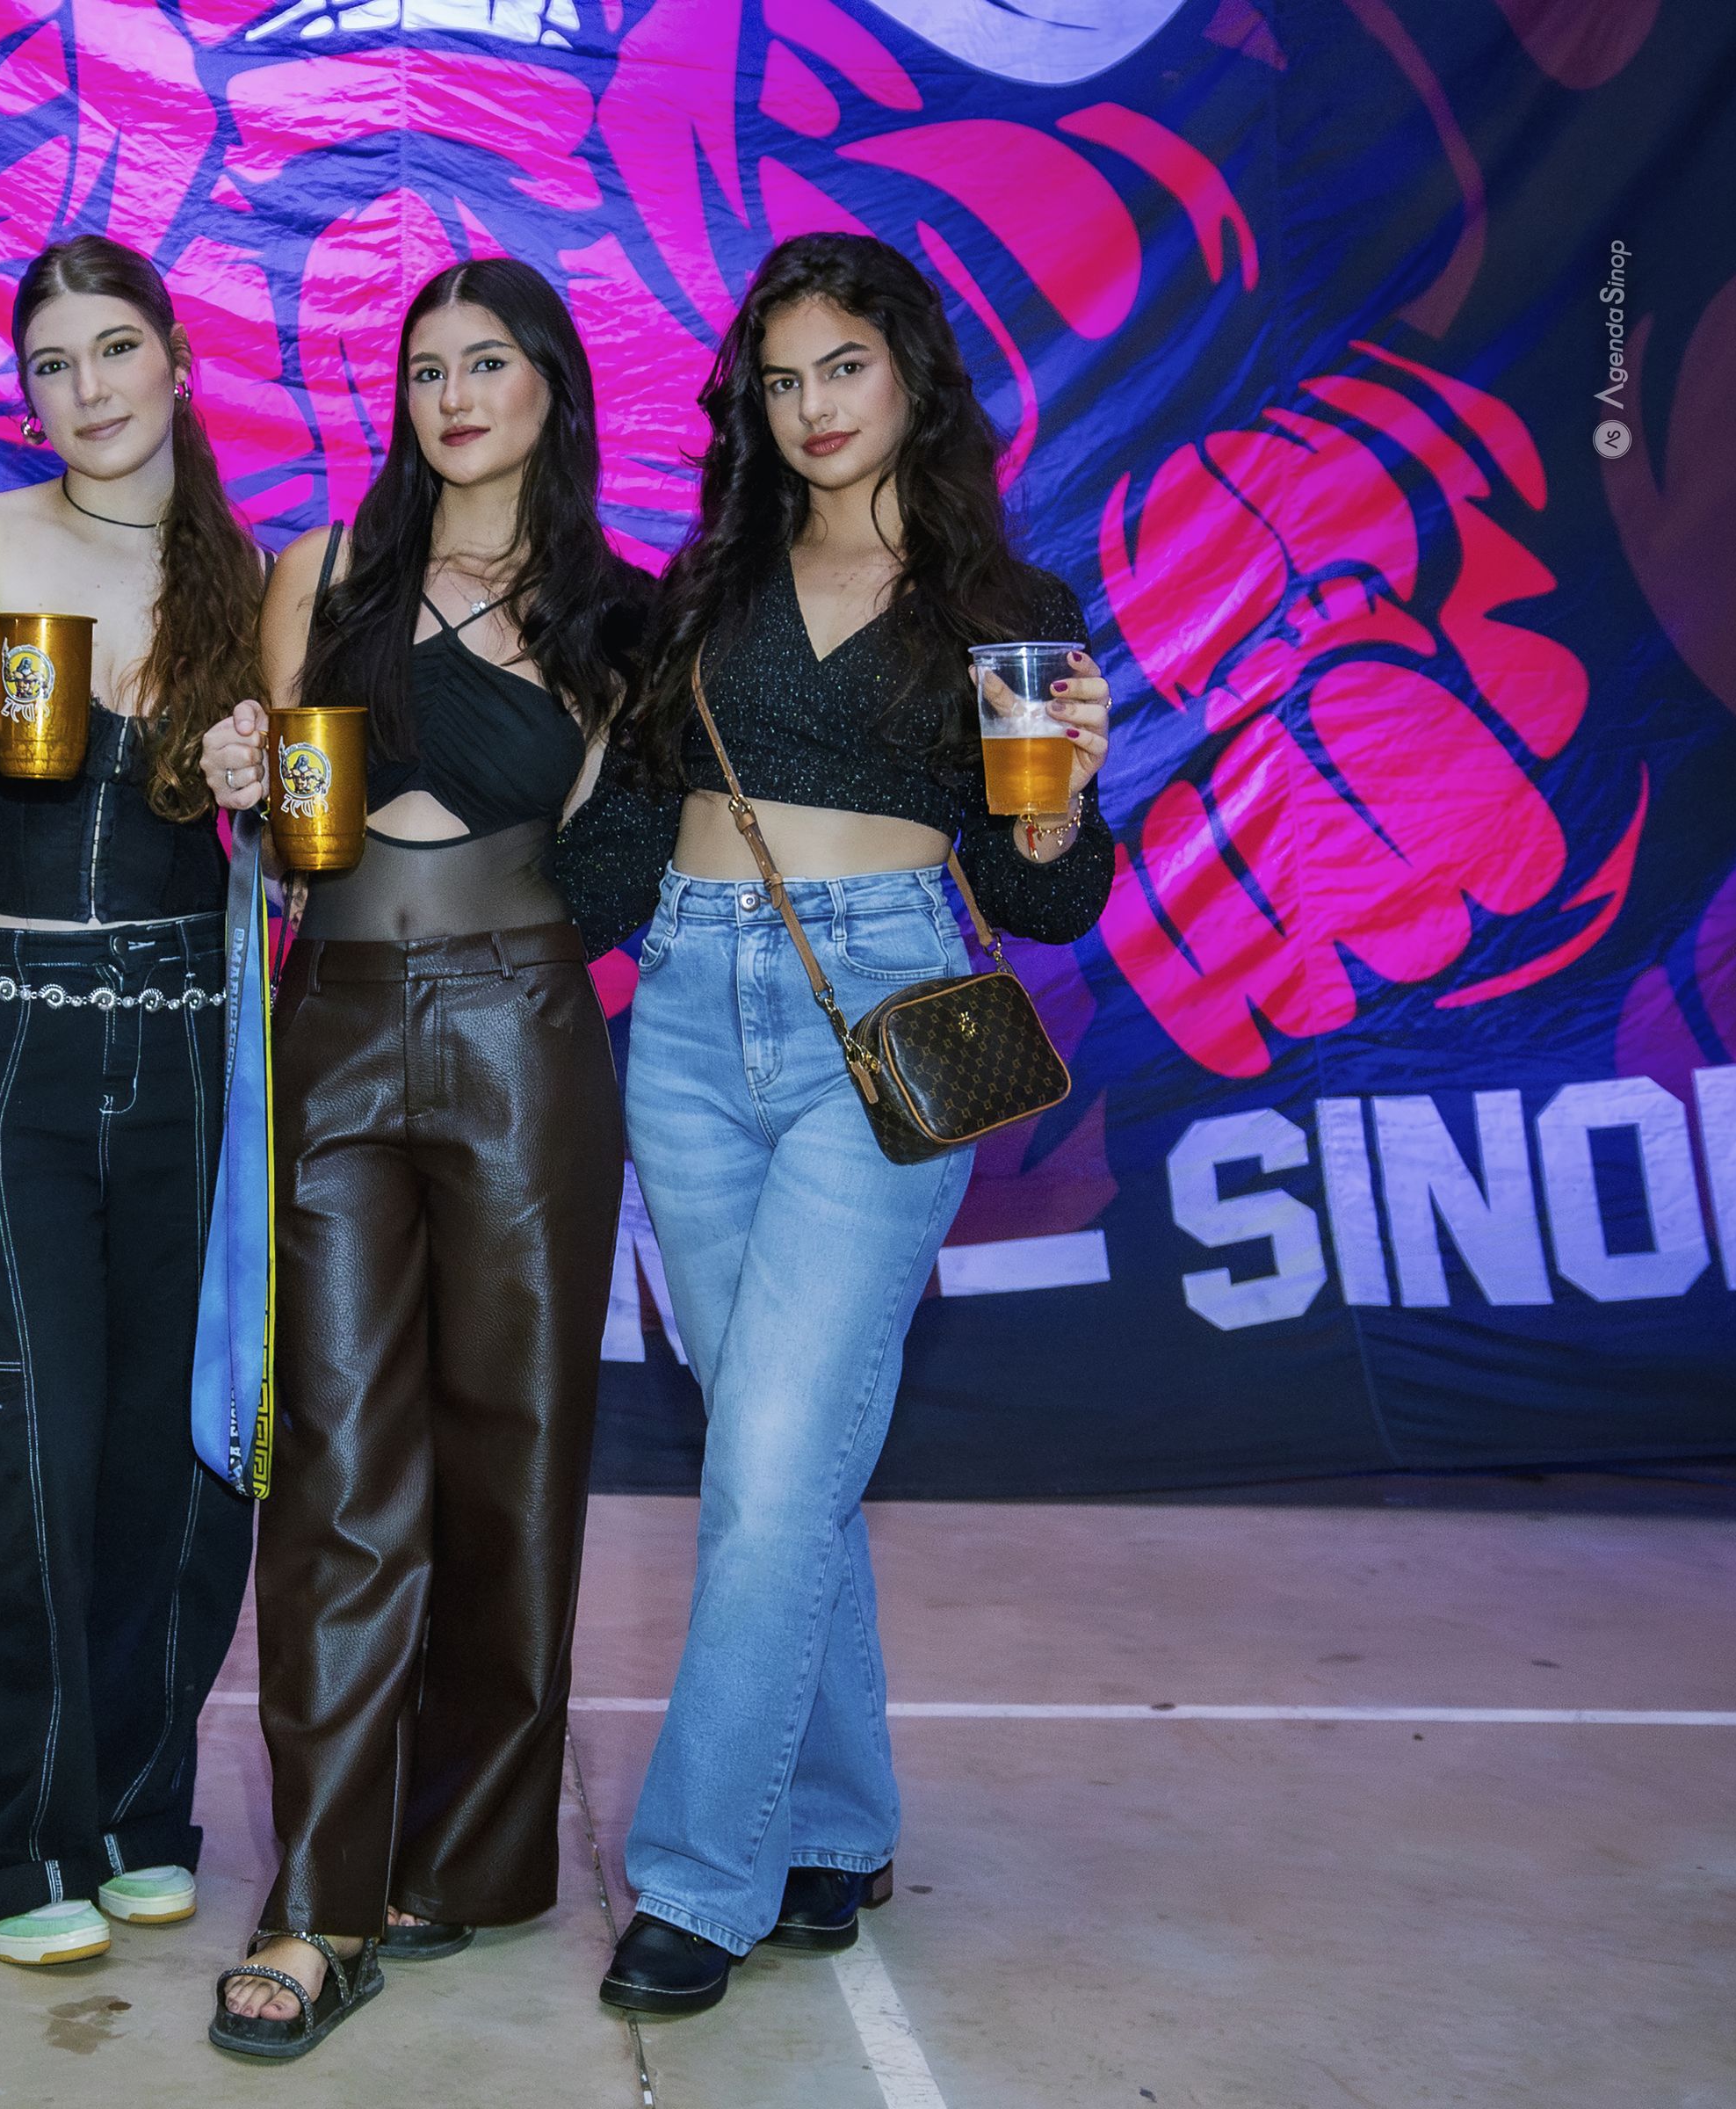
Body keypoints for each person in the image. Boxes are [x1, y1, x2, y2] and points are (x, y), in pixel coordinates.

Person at [548, 231, 1118, 2017]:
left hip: (886, 1016)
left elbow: (1043, 903)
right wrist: (476, 837)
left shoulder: (1006, 604)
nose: (812, 408)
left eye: (843, 369)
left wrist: (1060, 812)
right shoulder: (702, 591)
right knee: (775, 1465)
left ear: (910, 376)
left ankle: (699, 1878)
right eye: (783, 381)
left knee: (775, 1460)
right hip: (686, 1025)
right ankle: (839, 1823)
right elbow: (607, 867)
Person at [194, 258, 650, 2060]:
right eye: (426, 368)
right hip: (333, 1019)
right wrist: (238, 773)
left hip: (527, 1030)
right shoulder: (325, 573)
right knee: (335, 1462)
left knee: (513, 1454)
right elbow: (263, 825)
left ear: (551, 387)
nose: (455, 395)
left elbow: (617, 860)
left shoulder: (617, 611)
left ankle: (460, 1859)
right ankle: (318, 1899)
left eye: (489, 362)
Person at [0, 234, 264, 1968]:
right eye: (50, 364)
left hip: (192, 1046)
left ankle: (133, 1809)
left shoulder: (252, 574)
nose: (86, 389)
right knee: (10, 1439)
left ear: (176, 360)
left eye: (113, 350)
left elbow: (296, 849)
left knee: (175, 1450)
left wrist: (254, 780)